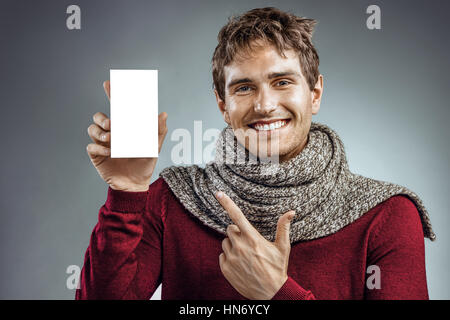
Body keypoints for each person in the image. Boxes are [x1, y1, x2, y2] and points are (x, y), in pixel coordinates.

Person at [78, 7, 435, 300]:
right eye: (244, 87)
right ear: (223, 105)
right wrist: (127, 192)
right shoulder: (170, 201)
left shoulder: (387, 215)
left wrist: (278, 293)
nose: (265, 105)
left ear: (315, 93)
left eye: (282, 82)